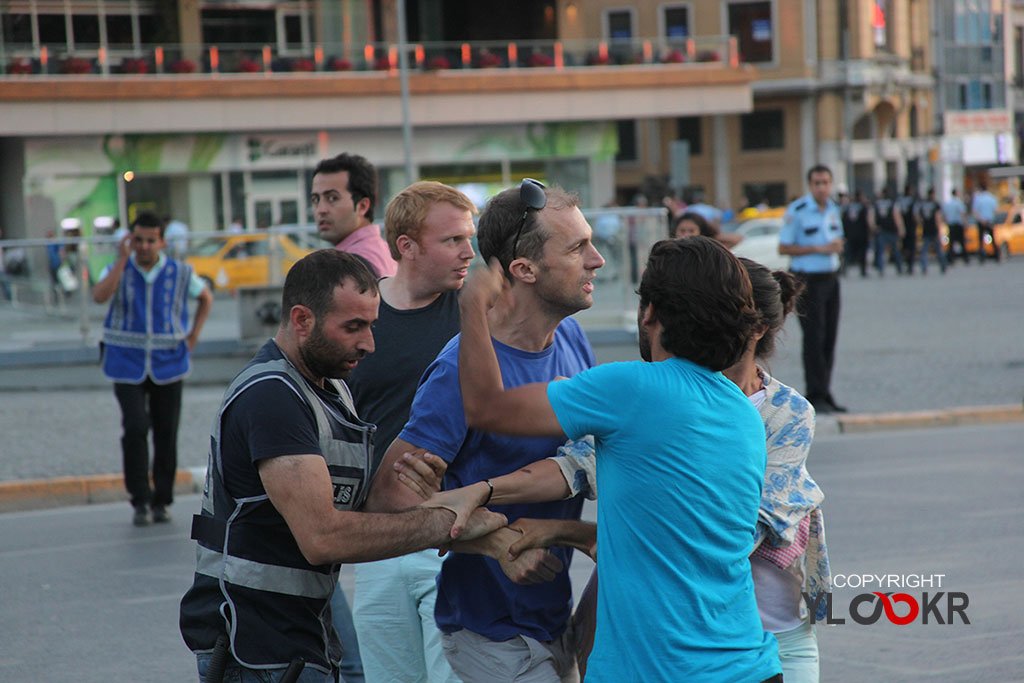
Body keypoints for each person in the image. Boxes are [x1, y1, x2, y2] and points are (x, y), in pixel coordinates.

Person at [407, 254, 830, 682]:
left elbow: (485, 408)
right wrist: (485, 490)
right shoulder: (741, 412)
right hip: (748, 666)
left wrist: (473, 307)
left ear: (650, 314)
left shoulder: (630, 388)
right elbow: (583, 467)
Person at [178, 249, 507, 683]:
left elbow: (360, 511)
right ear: (301, 320)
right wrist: (446, 522)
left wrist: (444, 502)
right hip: (257, 651)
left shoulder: (329, 387)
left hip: (297, 640)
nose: (370, 343)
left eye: (372, 325)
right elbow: (324, 537)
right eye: (353, 327)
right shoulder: (273, 396)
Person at [364, 179, 605, 682]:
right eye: (579, 247)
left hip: (553, 621)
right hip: (493, 633)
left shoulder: (573, 339)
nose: (597, 260)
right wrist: (495, 542)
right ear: (524, 269)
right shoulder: (460, 370)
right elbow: (388, 496)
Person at [345, 181, 477, 683]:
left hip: (451, 538)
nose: (469, 253)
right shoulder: (359, 316)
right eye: (453, 241)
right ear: (406, 246)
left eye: (470, 238)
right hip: (377, 543)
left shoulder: (478, 317)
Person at [92, 211, 214, 526]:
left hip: (169, 362)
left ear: (161, 241)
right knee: (135, 427)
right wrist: (120, 261)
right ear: (129, 240)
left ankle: (162, 499)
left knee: (165, 431)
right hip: (125, 361)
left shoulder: (180, 272)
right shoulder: (117, 269)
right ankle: (139, 500)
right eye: (138, 240)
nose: (144, 246)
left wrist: (194, 335)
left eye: (150, 240)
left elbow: (206, 297)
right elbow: (98, 296)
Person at [779, 164, 846, 414]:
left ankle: (826, 392)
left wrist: (837, 247)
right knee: (813, 338)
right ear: (810, 185)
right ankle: (814, 393)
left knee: (829, 337)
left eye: (825, 182)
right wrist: (818, 249)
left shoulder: (832, 209)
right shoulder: (797, 211)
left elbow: (836, 239)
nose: (821, 187)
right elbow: (784, 248)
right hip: (807, 280)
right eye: (817, 183)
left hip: (831, 278)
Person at [311, 153, 398, 278]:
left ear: (362, 206)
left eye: (332, 198)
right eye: (315, 199)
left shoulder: (355, 264)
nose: (321, 209)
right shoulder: (383, 251)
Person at [872, 187, 905, 276]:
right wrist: (901, 228)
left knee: (881, 251)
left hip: (881, 230)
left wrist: (874, 226)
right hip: (891, 230)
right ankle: (899, 268)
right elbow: (896, 216)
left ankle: (881, 269)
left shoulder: (877, 204)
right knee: (895, 250)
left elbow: (872, 216)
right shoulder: (892, 204)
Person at [841, 190, 873, 278]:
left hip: (850, 234)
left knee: (847, 253)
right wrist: (871, 231)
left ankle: (844, 269)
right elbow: (868, 220)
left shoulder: (848, 207)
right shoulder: (864, 207)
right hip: (862, 234)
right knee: (862, 253)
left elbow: (844, 220)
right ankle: (863, 270)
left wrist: (844, 233)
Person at [917, 188, 947, 275]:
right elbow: (937, 218)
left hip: (925, 230)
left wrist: (922, 224)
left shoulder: (923, 205)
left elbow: (919, 217)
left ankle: (924, 267)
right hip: (934, 230)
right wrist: (939, 230)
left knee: (924, 251)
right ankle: (943, 265)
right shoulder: (935, 205)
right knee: (939, 250)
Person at [971, 181, 1000, 263]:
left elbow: (975, 212)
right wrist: (991, 219)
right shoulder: (992, 198)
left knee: (981, 241)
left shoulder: (978, 199)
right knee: (993, 240)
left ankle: (981, 257)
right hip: (990, 221)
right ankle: (996, 256)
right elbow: (996, 211)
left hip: (981, 222)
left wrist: (981, 220)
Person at [943, 188, 968, 265]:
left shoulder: (948, 204)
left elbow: (944, 215)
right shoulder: (958, 203)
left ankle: (950, 258)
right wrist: (965, 224)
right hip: (958, 224)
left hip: (951, 225)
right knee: (962, 242)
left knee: (951, 242)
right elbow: (962, 214)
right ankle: (965, 258)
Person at [898, 185, 919, 274]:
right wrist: (918, 222)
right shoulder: (913, 202)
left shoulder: (900, 201)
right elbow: (915, 215)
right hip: (911, 227)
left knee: (904, 247)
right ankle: (910, 264)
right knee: (912, 247)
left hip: (902, 227)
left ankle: (905, 262)